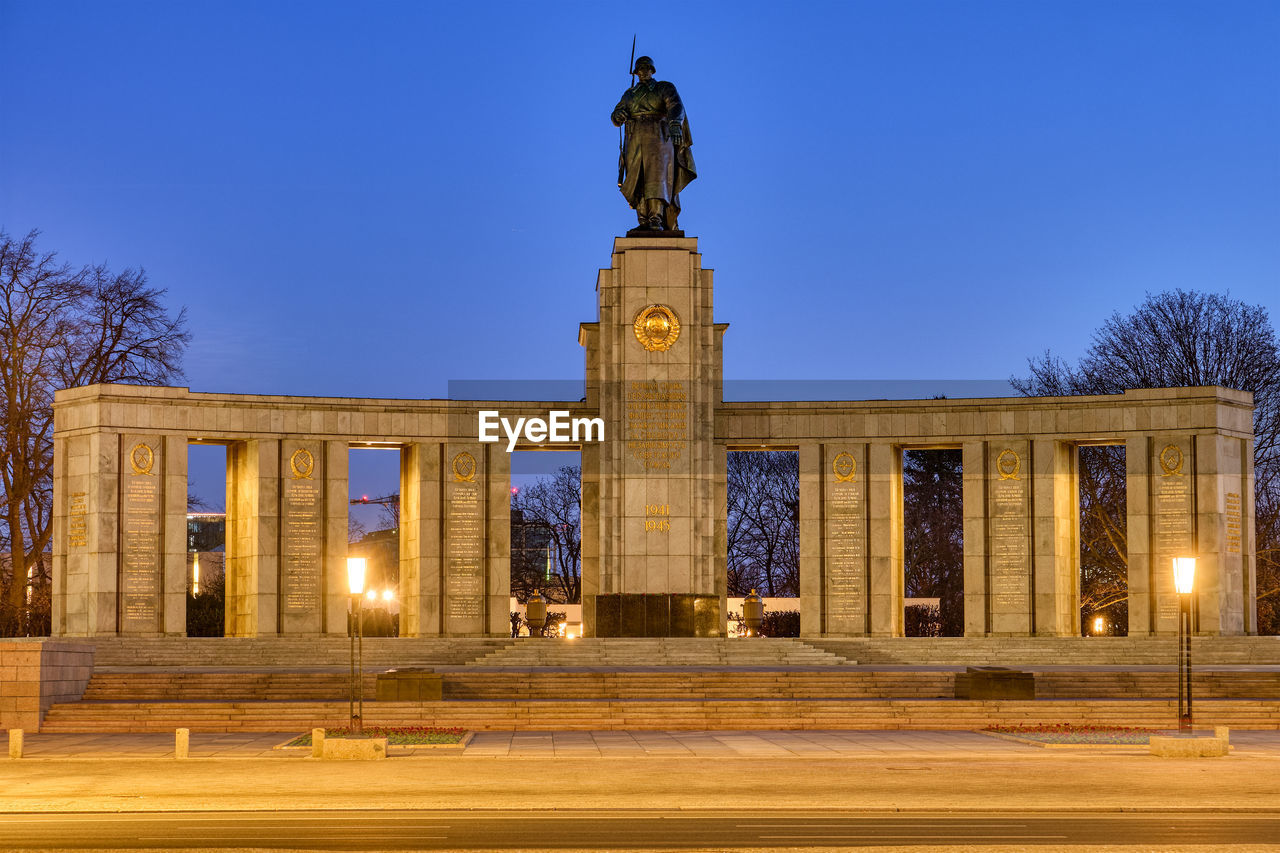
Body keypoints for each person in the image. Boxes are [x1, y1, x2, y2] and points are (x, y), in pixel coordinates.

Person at [611, 56, 697, 231]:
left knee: (656, 177)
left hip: (658, 136)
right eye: (639, 69)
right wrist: (617, 115)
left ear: (652, 70)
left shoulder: (663, 87)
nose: (643, 72)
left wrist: (674, 125)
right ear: (635, 72)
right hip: (634, 138)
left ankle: (655, 219)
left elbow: (675, 105)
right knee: (637, 178)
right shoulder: (630, 94)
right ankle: (643, 220)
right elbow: (617, 112)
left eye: (646, 68)